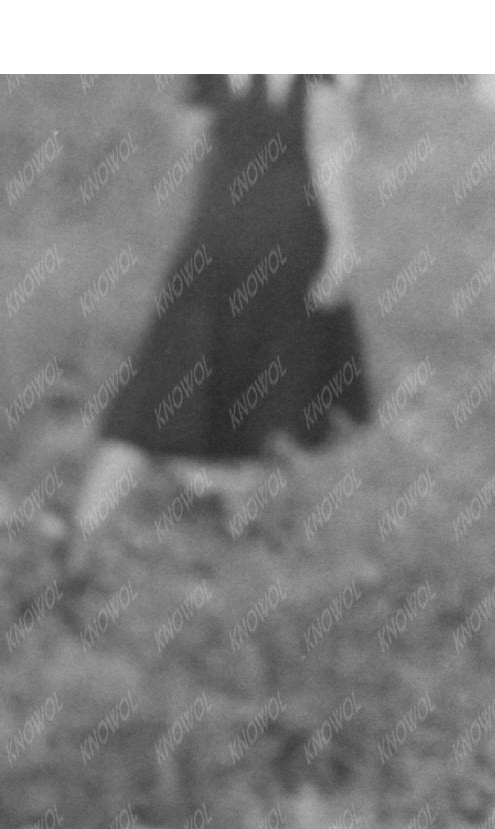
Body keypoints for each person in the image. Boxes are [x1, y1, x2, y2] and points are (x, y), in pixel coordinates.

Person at [65, 76, 372, 581]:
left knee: (154, 392)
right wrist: (343, 246)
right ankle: (238, 537)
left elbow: (192, 140)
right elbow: (330, 149)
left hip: (214, 240)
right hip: (290, 238)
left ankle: (84, 543)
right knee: (276, 397)